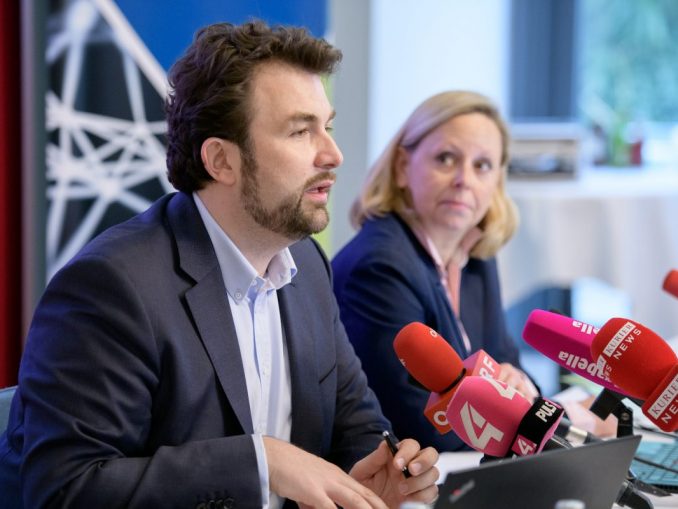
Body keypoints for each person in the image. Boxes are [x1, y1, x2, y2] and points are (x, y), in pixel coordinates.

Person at [0, 21, 439, 508]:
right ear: (220, 161)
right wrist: (261, 463)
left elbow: (356, 427)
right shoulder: (112, 286)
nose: (332, 154)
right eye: (300, 131)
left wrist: (379, 475)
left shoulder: (307, 265)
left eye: (327, 127)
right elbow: (63, 489)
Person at [332, 91, 539, 452]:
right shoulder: (379, 266)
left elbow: (508, 360)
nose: (464, 180)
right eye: (446, 158)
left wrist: (518, 382)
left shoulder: (475, 255)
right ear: (401, 167)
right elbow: (422, 425)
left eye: (483, 166)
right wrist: (526, 420)